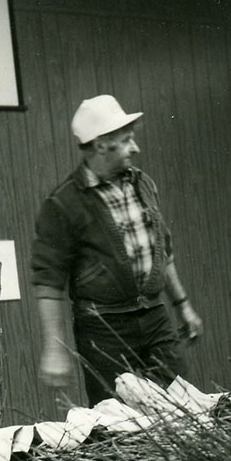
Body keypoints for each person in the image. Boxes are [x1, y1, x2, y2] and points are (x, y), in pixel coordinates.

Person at [31, 94, 203, 406]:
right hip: (104, 329)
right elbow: (48, 283)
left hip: (155, 317)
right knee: (117, 422)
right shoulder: (63, 204)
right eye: (125, 141)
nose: (135, 149)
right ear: (99, 145)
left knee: (183, 407)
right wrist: (54, 349)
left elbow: (164, 251)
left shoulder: (143, 185)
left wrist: (183, 305)